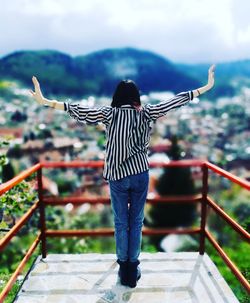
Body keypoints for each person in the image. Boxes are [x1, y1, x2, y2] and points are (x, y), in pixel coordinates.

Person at [30, 64, 215, 288]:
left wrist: (47, 102)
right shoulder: (146, 112)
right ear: (136, 97)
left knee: (121, 222)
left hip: (117, 176)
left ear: (117, 97)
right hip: (140, 174)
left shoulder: (110, 113)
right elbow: (174, 101)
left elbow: (78, 109)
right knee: (136, 221)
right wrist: (204, 88)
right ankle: (132, 267)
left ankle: (123, 266)